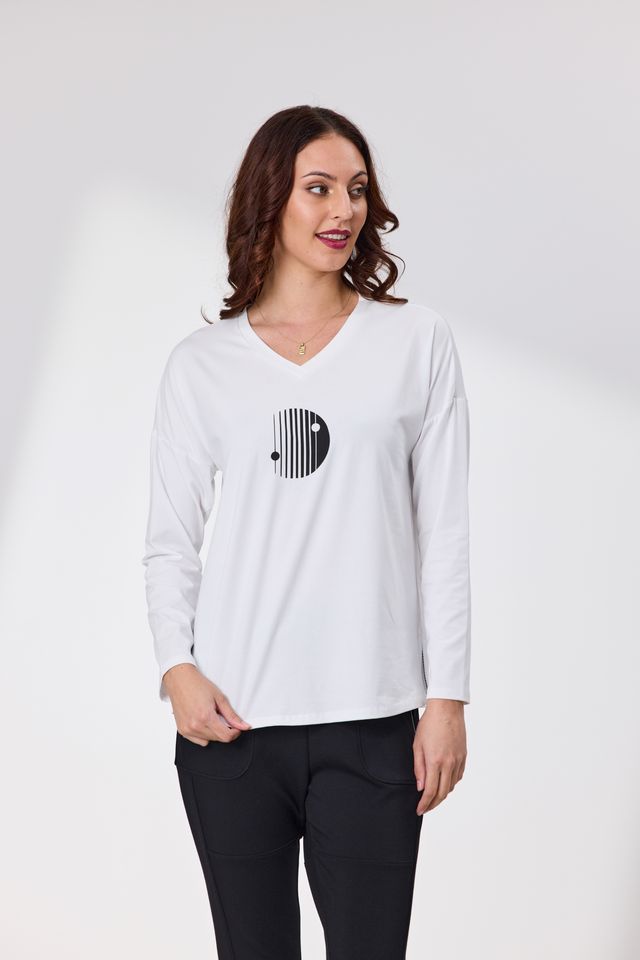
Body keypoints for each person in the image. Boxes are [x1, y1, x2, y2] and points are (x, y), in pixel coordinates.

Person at [141, 104, 471, 960]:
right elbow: (171, 539)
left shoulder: (416, 341)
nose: (343, 210)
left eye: (357, 190)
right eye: (318, 188)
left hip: (375, 722)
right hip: (233, 727)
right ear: (270, 200)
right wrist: (177, 668)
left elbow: (444, 532)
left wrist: (447, 698)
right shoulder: (202, 365)